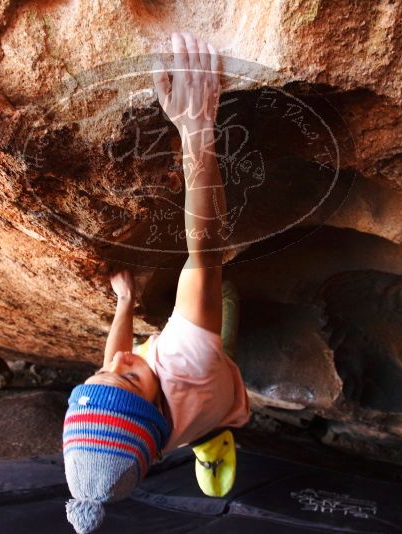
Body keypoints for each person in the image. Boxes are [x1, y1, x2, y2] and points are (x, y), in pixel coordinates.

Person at [62, 31, 251, 534]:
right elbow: (205, 253)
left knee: (165, 390)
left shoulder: (134, 429)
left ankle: (204, 441)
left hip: (175, 421)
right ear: (155, 408)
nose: (119, 361)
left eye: (97, 380)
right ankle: (219, 431)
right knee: (225, 291)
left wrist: (124, 305)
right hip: (211, 387)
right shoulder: (192, 364)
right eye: (129, 378)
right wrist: (196, 130)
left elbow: (112, 367)